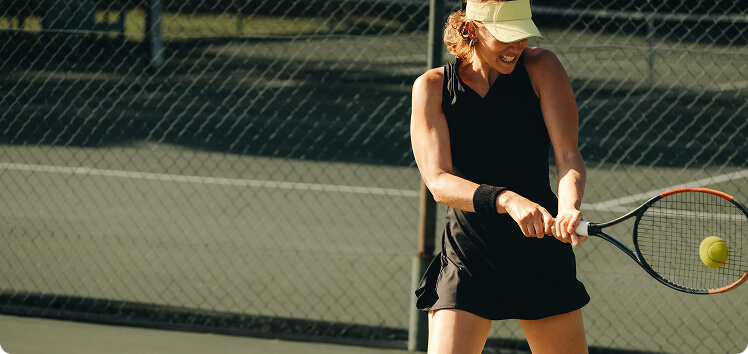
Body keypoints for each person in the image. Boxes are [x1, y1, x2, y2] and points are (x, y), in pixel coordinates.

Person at [410, 0, 590, 353]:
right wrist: (506, 200)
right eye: (506, 36)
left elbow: (568, 156)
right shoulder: (431, 88)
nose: (516, 46)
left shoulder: (542, 66)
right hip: (468, 256)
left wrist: (569, 206)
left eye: (521, 35)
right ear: (471, 29)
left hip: (539, 252)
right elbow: (438, 181)